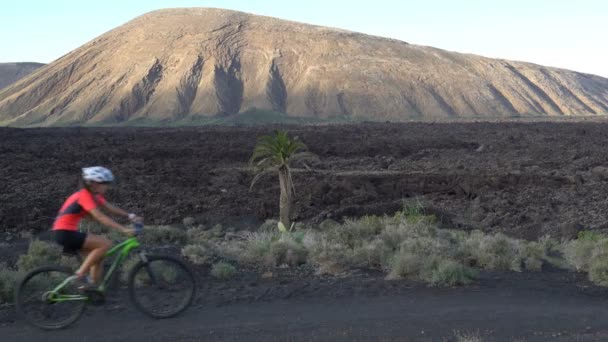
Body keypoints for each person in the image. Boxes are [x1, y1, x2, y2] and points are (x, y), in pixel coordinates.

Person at [52, 166, 142, 290]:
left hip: (66, 232)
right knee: (105, 244)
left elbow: (109, 207)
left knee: (98, 258)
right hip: (65, 232)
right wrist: (123, 229)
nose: (107, 186)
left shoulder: (94, 195)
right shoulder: (84, 195)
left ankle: (92, 289)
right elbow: (100, 216)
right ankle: (80, 275)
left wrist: (130, 215)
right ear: (93, 184)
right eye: (104, 183)